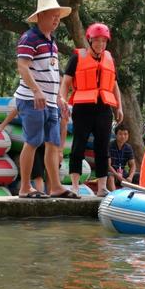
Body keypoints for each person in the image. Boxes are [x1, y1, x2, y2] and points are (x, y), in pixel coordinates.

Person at [14, 0, 77, 199]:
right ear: (40, 16)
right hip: (33, 99)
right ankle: (25, 187)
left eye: (58, 16)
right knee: (32, 141)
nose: (56, 20)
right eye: (53, 15)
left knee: (53, 142)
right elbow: (22, 67)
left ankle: (56, 186)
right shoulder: (30, 37)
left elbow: (52, 71)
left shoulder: (52, 41)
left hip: (50, 101)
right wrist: (36, 91)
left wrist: (59, 97)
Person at [59, 22, 124, 197]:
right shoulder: (77, 58)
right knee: (78, 146)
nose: (100, 44)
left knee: (103, 148)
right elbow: (65, 83)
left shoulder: (109, 59)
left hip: (104, 108)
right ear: (89, 40)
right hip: (82, 108)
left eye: (104, 41)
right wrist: (63, 100)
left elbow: (115, 85)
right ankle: (74, 185)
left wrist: (119, 107)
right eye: (97, 41)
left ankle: (102, 187)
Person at [107, 124, 137, 191]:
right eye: (120, 134)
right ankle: (114, 196)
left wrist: (130, 177)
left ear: (128, 135)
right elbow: (108, 166)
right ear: (116, 135)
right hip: (112, 173)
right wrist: (119, 177)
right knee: (110, 176)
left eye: (125, 134)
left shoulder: (128, 148)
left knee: (139, 176)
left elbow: (133, 165)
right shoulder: (109, 145)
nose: (123, 136)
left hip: (122, 174)